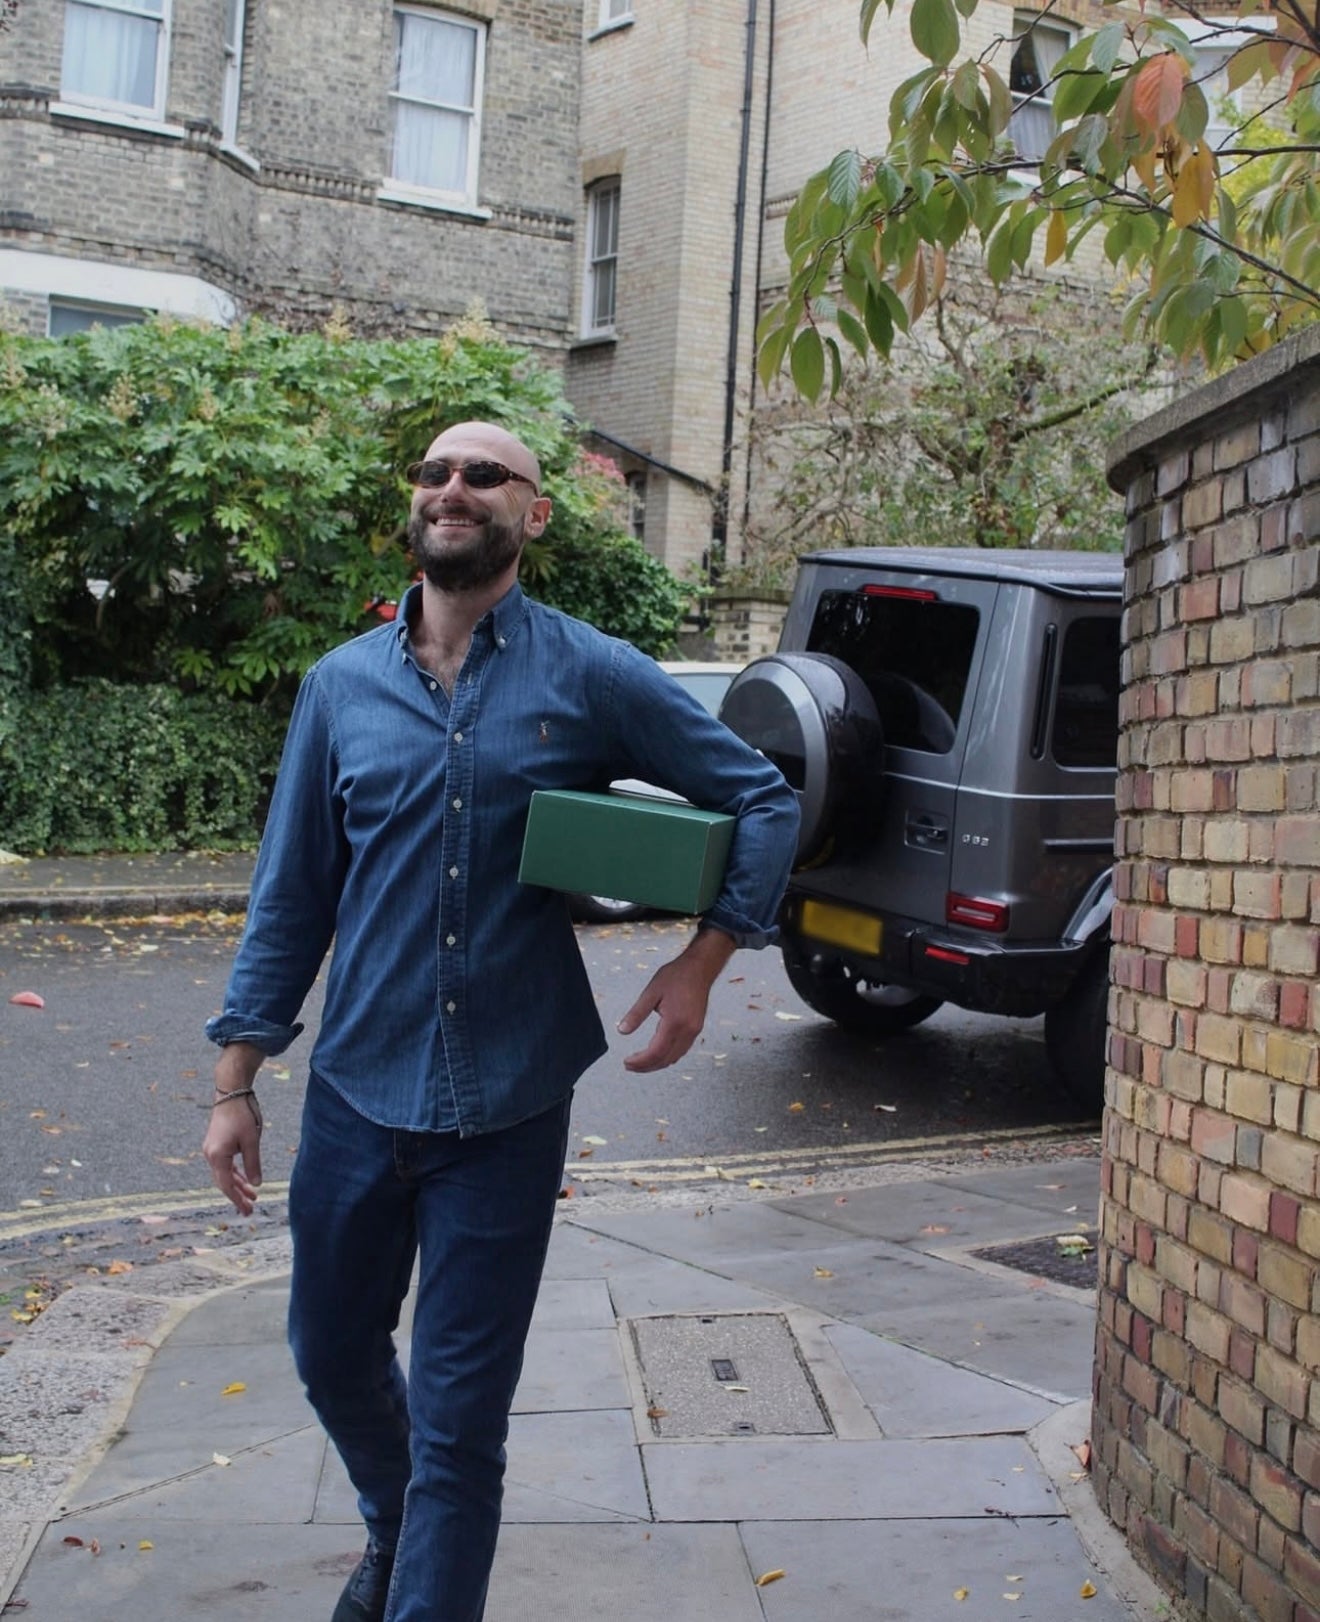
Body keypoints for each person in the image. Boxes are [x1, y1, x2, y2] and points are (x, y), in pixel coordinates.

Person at [202, 420, 799, 1622]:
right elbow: (291, 894)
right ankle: (396, 1522)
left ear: (534, 513)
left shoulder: (590, 672)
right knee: (330, 1354)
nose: (453, 487)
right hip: (358, 1091)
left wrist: (704, 958)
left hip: (510, 1101)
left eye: (485, 473)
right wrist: (235, 1078)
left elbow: (762, 793)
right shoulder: (338, 688)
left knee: (464, 1422)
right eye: (434, 471)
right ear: (415, 505)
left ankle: (420, 1566)